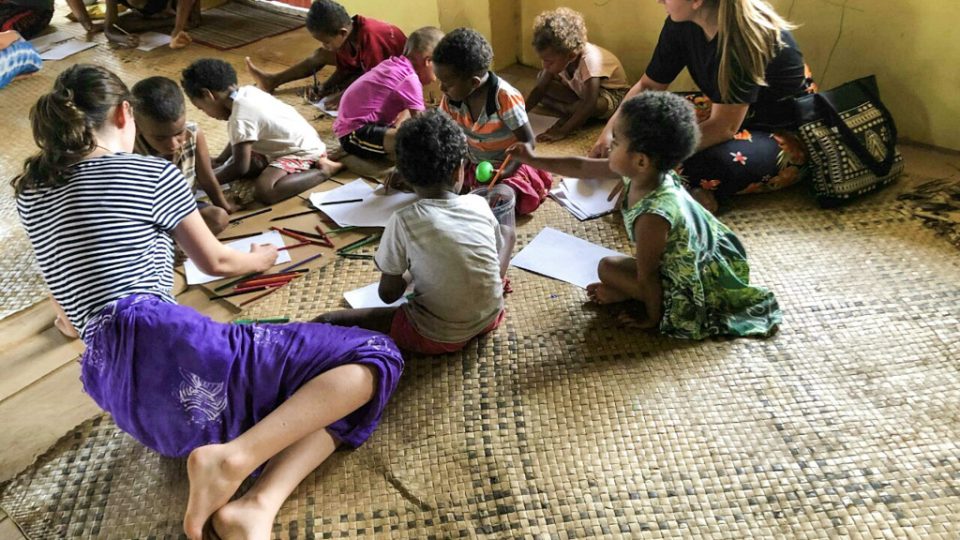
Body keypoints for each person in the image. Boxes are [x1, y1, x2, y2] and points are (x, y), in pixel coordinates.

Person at [13, 64, 404, 540]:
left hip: (137, 405)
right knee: (373, 357)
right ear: (123, 113)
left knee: (302, 400)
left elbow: (66, 304)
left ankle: (257, 505)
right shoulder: (148, 172)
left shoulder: (30, 190)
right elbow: (217, 261)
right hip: (174, 350)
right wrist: (260, 257)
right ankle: (233, 460)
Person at [509, 92, 781, 339]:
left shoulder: (653, 216)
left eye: (615, 143)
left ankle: (644, 303)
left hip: (690, 287)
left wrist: (651, 318)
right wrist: (533, 159)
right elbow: (582, 166)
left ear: (640, 160)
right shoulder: (646, 173)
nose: (609, 148)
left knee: (607, 268)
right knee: (610, 269)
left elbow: (648, 273)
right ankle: (628, 293)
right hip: (694, 261)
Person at [589, 0, 815, 213]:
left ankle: (696, 195)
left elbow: (724, 127)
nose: (659, 1)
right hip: (726, 109)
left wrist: (655, 161)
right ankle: (689, 191)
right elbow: (649, 85)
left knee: (691, 164)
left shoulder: (741, 39)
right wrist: (610, 131)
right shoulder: (681, 22)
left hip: (779, 130)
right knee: (653, 116)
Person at [318, 110, 506, 355]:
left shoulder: (404, 220)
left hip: (437, 335)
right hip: (490, 317)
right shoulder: (478, 204)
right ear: (459, 170)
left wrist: (409, 275)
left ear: (403, 176)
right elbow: (491, 256)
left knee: (329, 320)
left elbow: (388, 294)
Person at [181, 58, 342, 205]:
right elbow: (240, 137)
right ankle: (264, 164)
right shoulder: (247, 93)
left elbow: (240, 167)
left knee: (265, 191)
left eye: (201, 108)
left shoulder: (240, 116)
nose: (205, 113)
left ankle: (324, 170)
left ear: (208, 95)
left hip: (301, 152)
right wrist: (221, 160)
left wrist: (206, 183)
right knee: (237, 163)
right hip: (285, 144)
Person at [433, 27, 552, 216]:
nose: (441, 87)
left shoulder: (505, 97)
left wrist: (507, 172)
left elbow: (528, 142)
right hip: (474, 163)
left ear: (473, 82)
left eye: (447, 83)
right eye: (439, 80)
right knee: (436, 186)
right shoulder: (450, 98)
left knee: (501, 199)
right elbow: (441, 132)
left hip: (509, 165)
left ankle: (502, 193)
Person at [245, 0, 405, 108]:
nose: (325, 45)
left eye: (327, 41)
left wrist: (343, 96)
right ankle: (272, 80)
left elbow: (371, 78)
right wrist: (325, 87)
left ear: (342, 33)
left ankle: (343, 93)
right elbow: (345, 67)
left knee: (355, 90)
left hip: (394, 70)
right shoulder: (349, 33)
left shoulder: (371, 38)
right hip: (369, 65)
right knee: (320, 54)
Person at [131, 76, 236, 235]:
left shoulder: (193, 134)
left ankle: (171, 244)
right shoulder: (130, 150)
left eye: (179, 133)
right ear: (137, 126)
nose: (173, 144)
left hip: (184, 209)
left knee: (218, 218)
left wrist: (225, 207)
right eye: (160, 138)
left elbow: (207, 178)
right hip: (149, 218)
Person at [334, 26, 443, 161]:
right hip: (354, 134)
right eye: (439, 67)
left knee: (410, 110)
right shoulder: (410, 79)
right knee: (419, 144)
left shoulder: (394, 64)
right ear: (428, 61)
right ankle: (345, 160)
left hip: (357, 122)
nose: (438, 76)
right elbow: (424, 127)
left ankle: (387, 136)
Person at [525, 7, 630, 142]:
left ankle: (570, 110)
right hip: (581, 91)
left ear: (571, 56)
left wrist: (563, 131)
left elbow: (590, 103)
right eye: (542, 59)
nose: (545, 65)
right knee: (542, 80)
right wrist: (518, 116)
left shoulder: (590, 60)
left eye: (549, 61)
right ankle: (572, 110)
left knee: (592, 106)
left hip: (609, 94)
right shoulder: (560, 55)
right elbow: (540, 88)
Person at [65, 0, 200, 49]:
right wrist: (123, 39)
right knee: (122, 25)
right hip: (148, 14)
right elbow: (109, 29)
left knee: (192, 19)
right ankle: (167, 20)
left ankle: (175, 20)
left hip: (172, 6)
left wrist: (178, 29)